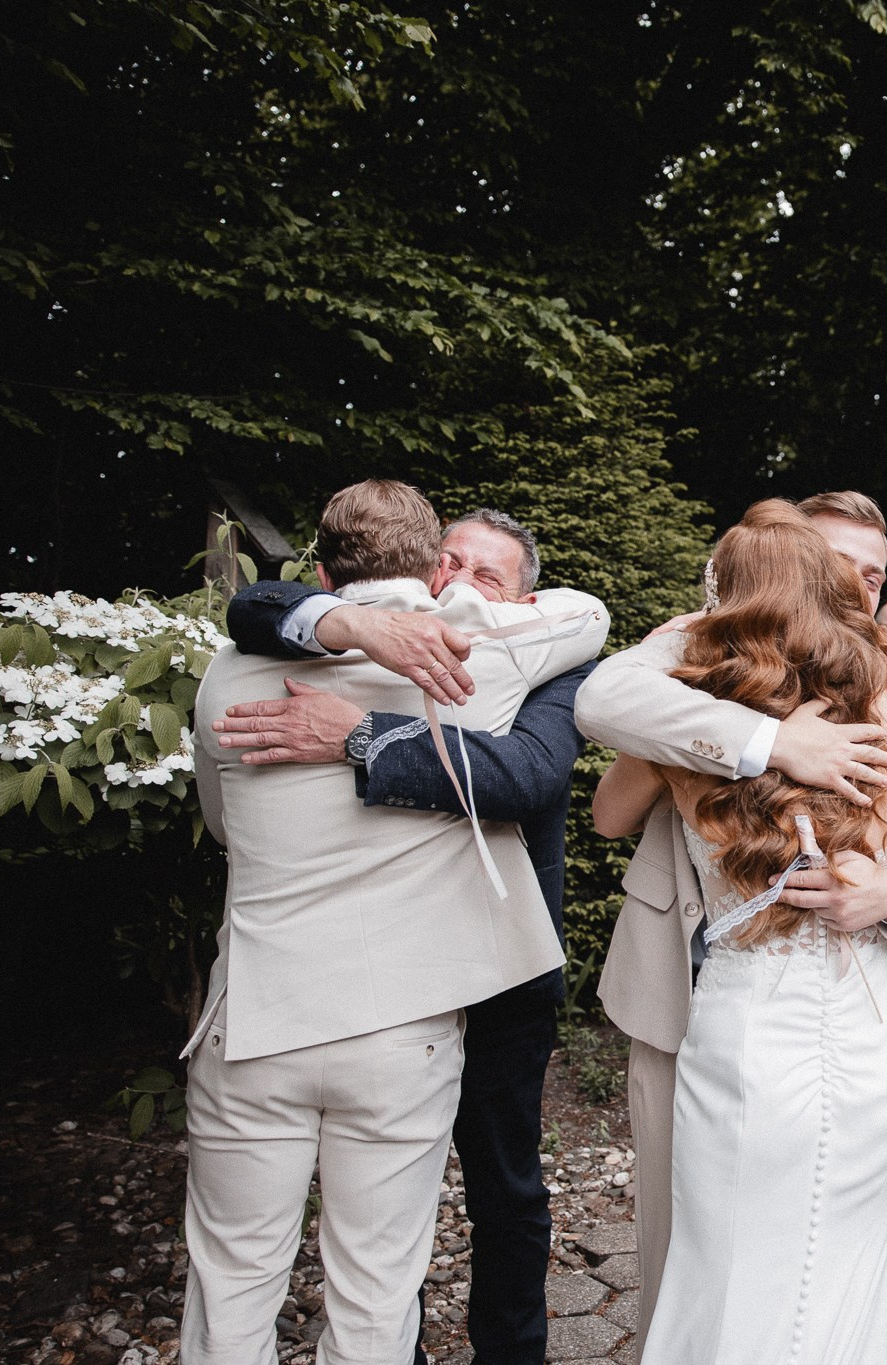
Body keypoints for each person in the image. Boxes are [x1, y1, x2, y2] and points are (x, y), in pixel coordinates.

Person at [182, 481, 608, 1365]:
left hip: (258, 1016)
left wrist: (346, 658)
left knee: (231, 1283)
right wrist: (364, 629)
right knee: (376, 1293)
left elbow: (224, 823)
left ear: (324, 566)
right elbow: (590, 617)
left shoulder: (226, 670)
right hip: (402, 1026)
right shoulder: (484, 657)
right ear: (429, 570)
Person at [571, 489, 887, 1337]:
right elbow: (610, 782)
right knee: (690, 1262)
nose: (860, 593)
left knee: (758, 1272)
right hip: (680, 1001)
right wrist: (769, 737)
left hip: (806, 1007)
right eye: (841, 571)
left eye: (876, 576)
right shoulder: (694, 683)